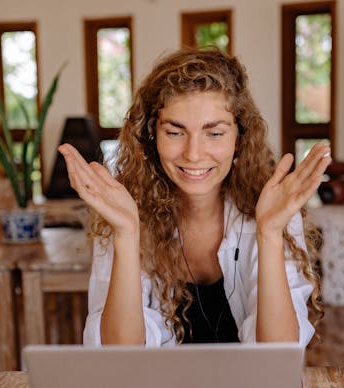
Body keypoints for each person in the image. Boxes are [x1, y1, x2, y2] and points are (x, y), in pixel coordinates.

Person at [58, 47, 325, 347]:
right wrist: (126, 234)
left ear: (240, 138)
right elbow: (121, 353)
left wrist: (270, 234)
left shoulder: (273, 210)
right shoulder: (125, 213)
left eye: (214, 133)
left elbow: (279, 353)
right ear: (151, 137)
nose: (194, 154)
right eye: (175, 132)